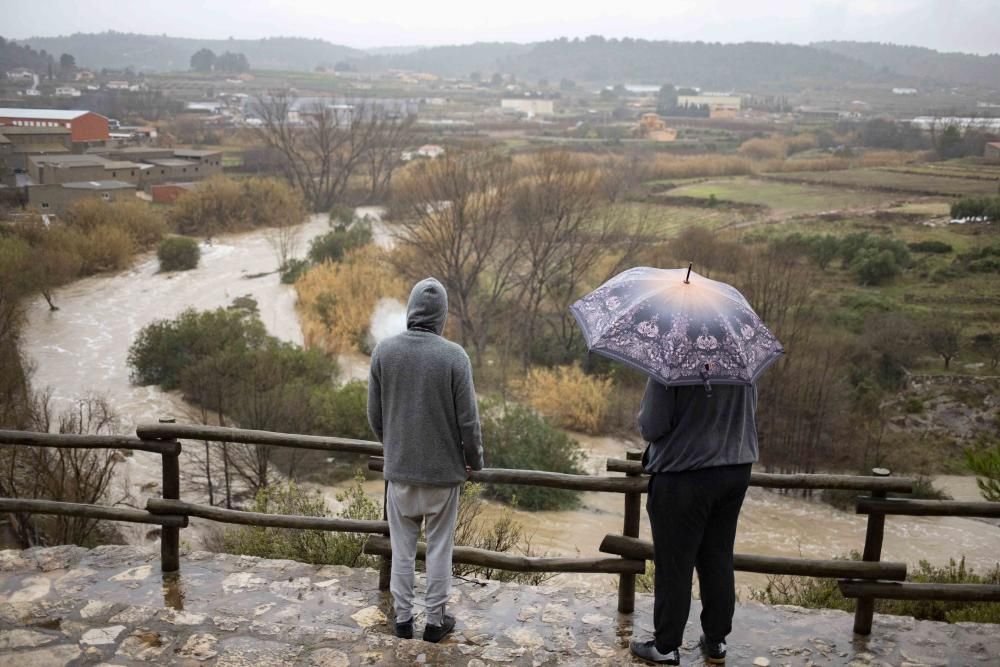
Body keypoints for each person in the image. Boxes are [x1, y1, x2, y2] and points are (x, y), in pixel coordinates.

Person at [367, 277, 484, 643]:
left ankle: (402, 621)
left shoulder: (383, 353)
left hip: (400, 474)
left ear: (410, 311)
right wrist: (474, 461)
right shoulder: (454, 357)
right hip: (443, 477)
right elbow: (469, 421)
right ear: (442, 316)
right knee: (439, 551)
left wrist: (396, 445)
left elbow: (375, 416)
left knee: (402, 551)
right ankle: (434, 623)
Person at [629, 378, 758, 665]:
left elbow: (652, 425)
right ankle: (715, 641)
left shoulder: (671, 362)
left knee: (674, 562)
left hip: (684, 472)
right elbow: (748, 413)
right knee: (718, 555)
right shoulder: (740, 362)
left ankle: (665, 647)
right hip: (735, 469)